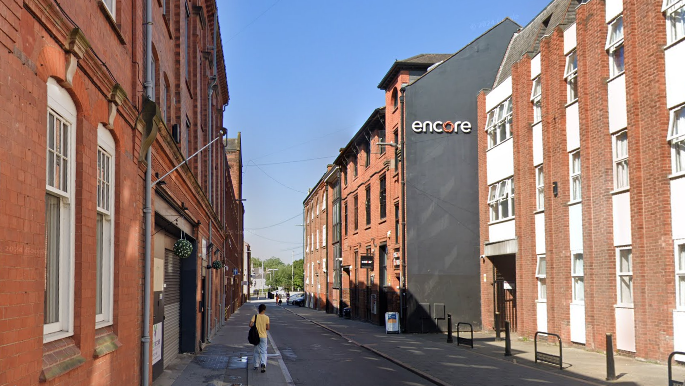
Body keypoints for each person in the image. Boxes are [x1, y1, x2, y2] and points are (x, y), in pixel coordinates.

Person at [249, 303, 270, 373]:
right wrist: (263, 328)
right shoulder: (266, 317)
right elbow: (268, 327)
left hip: (256, 336)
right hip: (264, 336)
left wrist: (255, 328)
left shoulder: (255, 316)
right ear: (264, 310)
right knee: (264, 351)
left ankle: (256, 365)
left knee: (256, 351)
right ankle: (263, 363)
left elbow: (250, 324)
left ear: (258, 309)